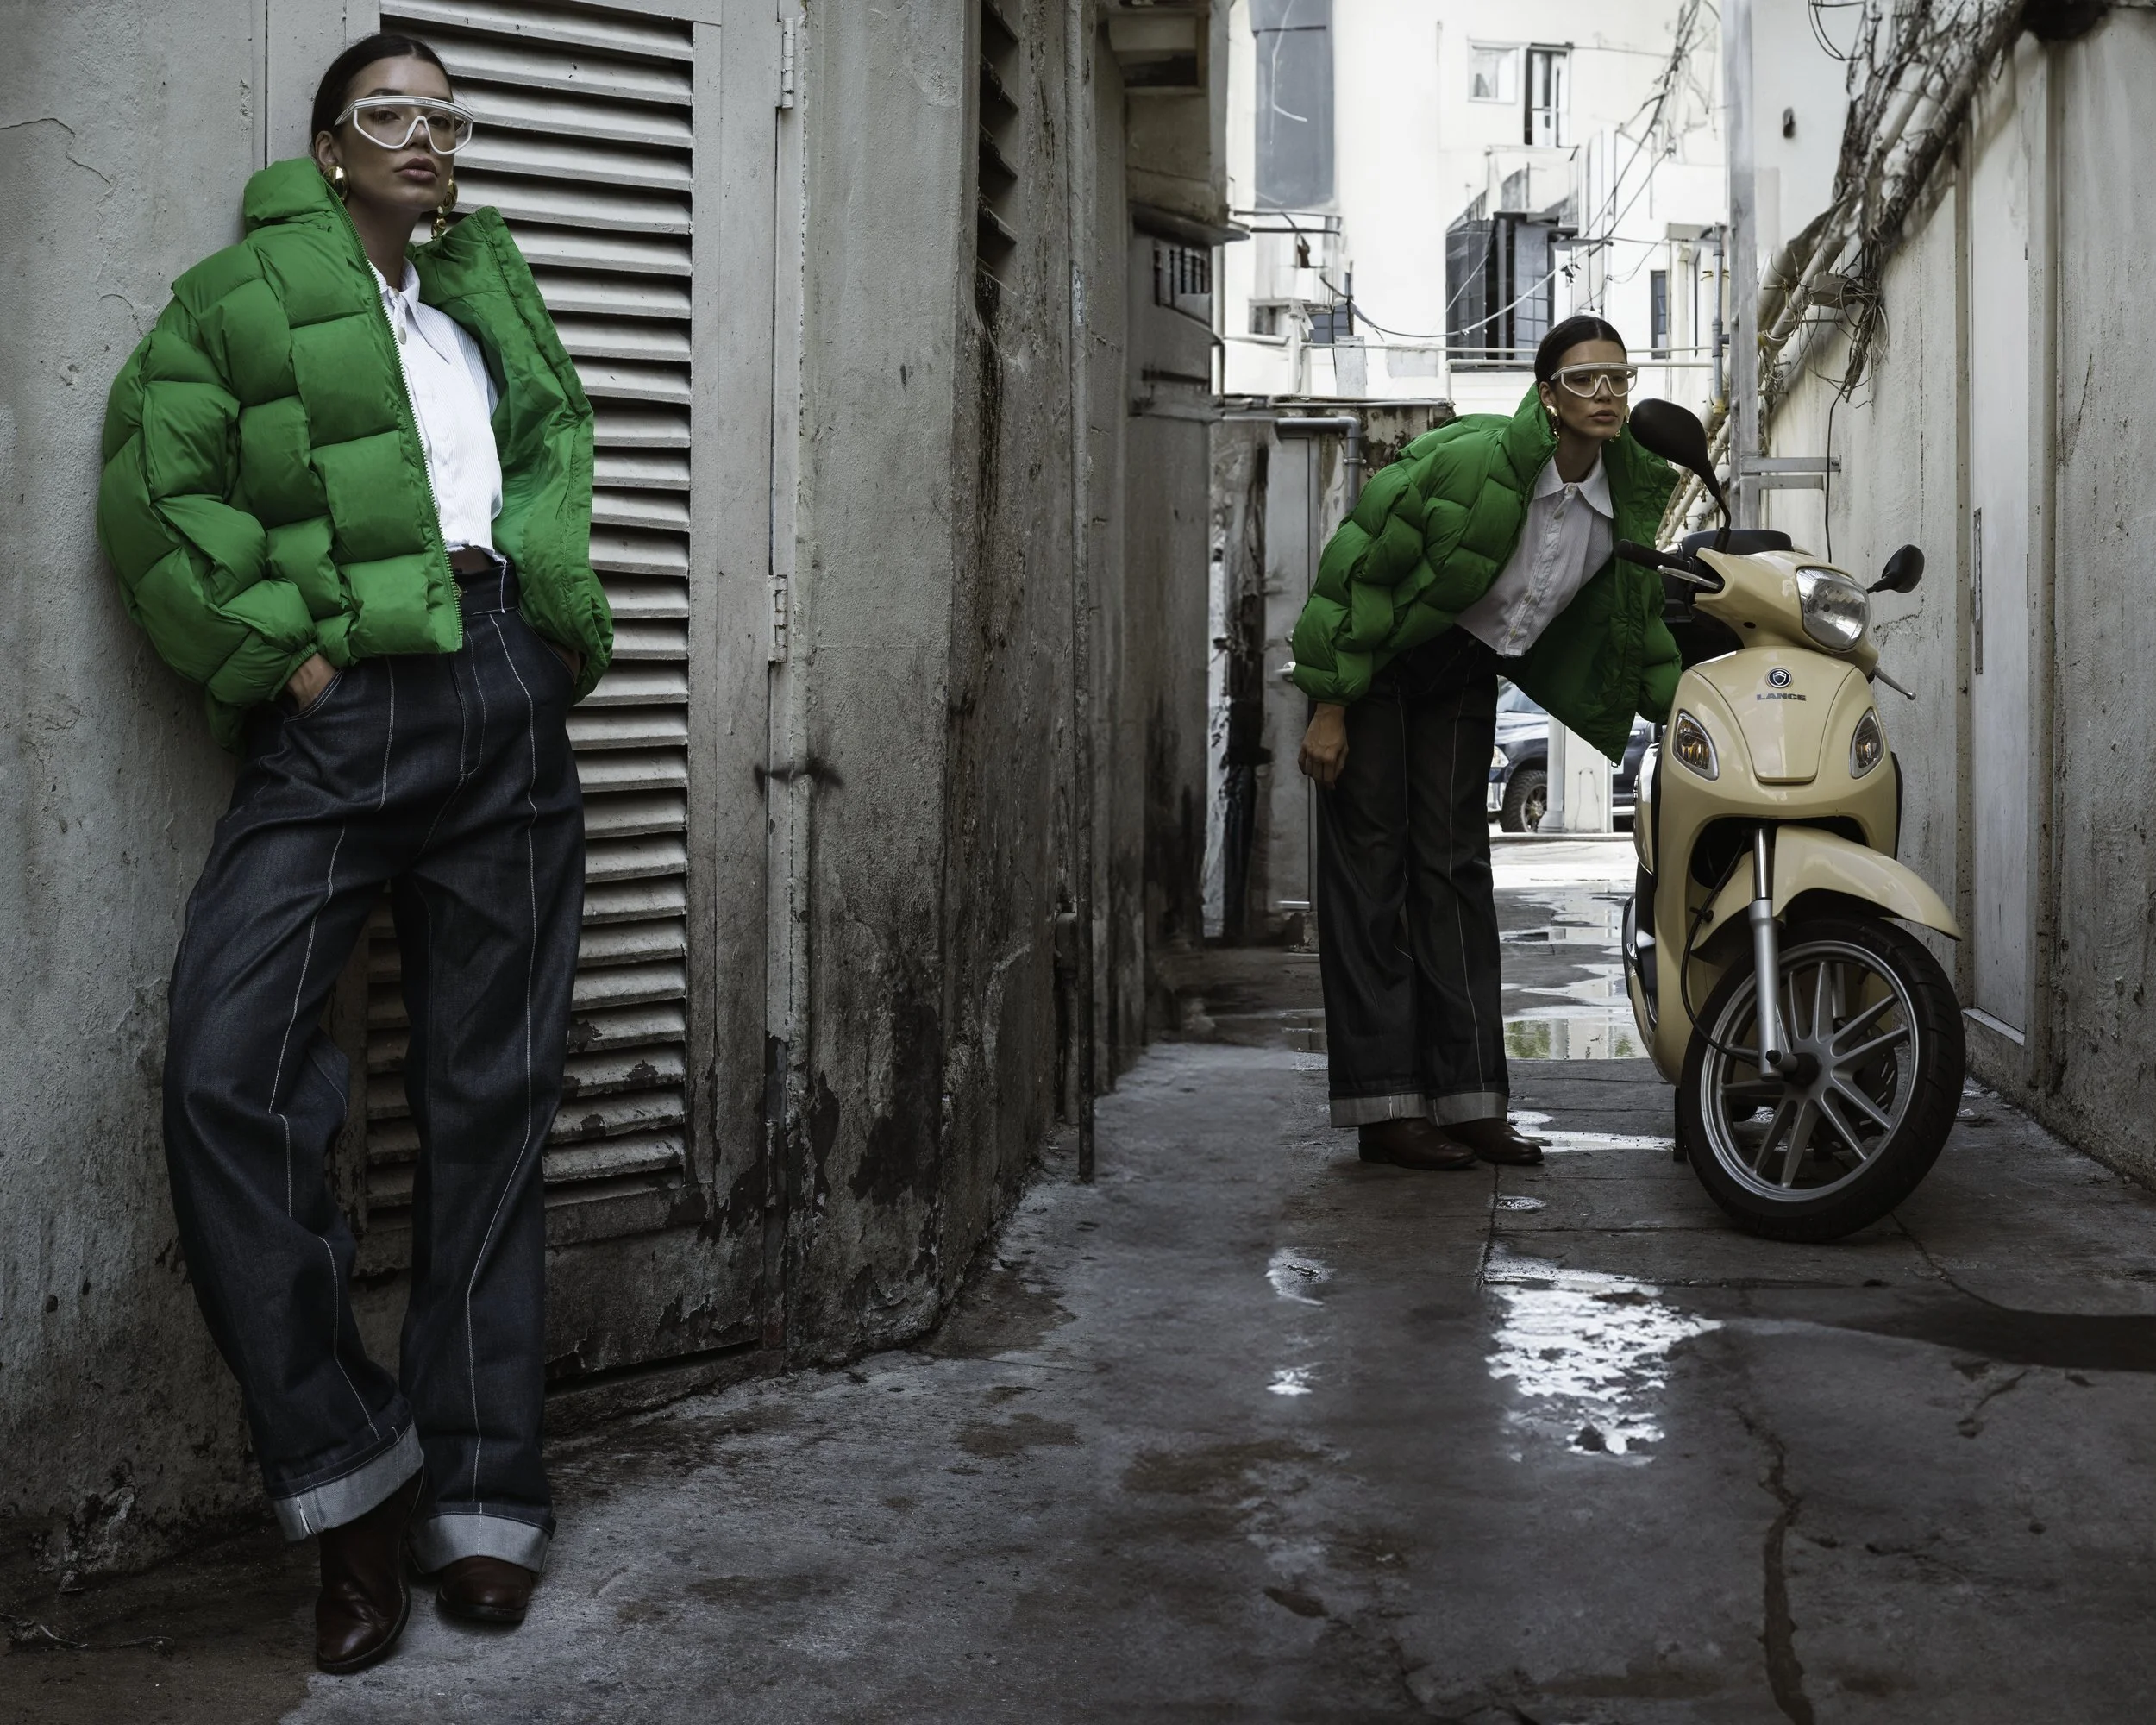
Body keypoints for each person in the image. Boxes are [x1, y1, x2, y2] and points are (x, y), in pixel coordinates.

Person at [97, 34, 611, 1672]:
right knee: (224, 1075)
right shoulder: (236, 296)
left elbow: (547, 461)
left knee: (491, 1107)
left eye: (447, 121)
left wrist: (545, 639)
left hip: (503, 699)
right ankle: (349, 1485)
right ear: (330, 146)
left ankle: (483, 1502)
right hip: (343, 718)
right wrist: (295, 664)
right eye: (390, 115)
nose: (425, 140)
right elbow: (152, 495)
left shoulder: (482, 297)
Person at [1289, 317, 1679, 1171]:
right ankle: (1387, 1107)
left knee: (1455, 872)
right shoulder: (1472, 464)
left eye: (1619, 376)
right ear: (1546, 395)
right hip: (1382, 662)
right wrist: (1329, 703)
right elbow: (1355, 569)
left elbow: (1634, 621)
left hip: (1465, 669)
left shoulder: (1628, 495)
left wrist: (1684, 706)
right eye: (1585, 379)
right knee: (1373, 877)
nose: (1606, 392)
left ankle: (1470, 1102)